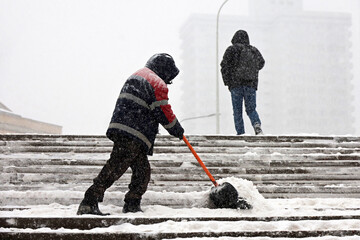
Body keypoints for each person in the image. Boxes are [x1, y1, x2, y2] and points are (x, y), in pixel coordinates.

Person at [77, 53, 184, 215]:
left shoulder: (139, 75)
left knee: (142, 170)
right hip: (134, 131)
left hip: (124, 127)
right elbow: (162, 110)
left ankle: (132, 203)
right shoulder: (156, 82)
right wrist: (176, 128)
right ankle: (89, 200)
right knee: (116, 166)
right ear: (164, 70)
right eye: (169, 76)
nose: (170, 81)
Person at [220, 30, 265, 135]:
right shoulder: (253, 50)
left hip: (236, 85)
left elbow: (224, 65)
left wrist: (228, 81)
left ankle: (241, 133)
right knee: (251, 109)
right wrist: (252, 71)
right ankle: (256, 125)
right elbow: (261, 63)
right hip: (250, 85)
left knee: (237, 111)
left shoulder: (232, 49)